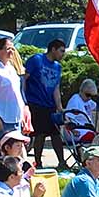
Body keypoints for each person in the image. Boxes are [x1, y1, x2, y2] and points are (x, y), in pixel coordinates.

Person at [24, 38, 67, 170]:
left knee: (55, 134)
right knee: (40, 134)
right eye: (61, 51)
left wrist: (59, 107)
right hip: (36, 103)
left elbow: (56, 88)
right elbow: (24, 79)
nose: (63, 55)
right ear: (53, 49)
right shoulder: (36, 60)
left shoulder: (57, 67)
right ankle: (38, 162)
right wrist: (24, 100)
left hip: (50, 105)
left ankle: (61, 162)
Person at [0, 37, 29, 136]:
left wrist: (24, 112)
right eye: (8, 49)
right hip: (3, 119)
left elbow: (18, 93)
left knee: (17, 150)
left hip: (16, 118)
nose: (11, 51)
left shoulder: (12, 69)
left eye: (12, 48)